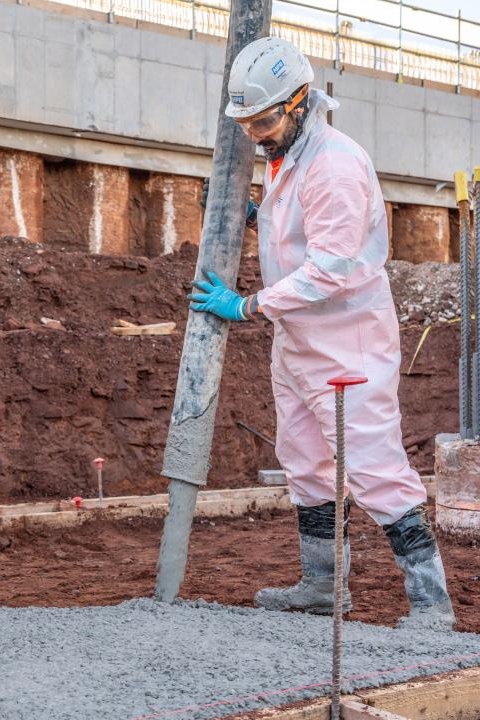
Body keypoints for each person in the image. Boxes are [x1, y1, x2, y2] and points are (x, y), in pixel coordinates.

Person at [188, 37, 455, 630]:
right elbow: (299, 234)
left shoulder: (333, 163)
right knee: (305, 461)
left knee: (373, 466)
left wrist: (249, 304)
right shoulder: (289, 157)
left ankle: (432, 604)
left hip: (347, 342)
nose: (255, 133)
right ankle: (322, 586)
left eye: (263, 120)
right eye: (247, 123)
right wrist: (253, 216)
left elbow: (332, 267)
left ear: (301, 101)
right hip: (300, 341)